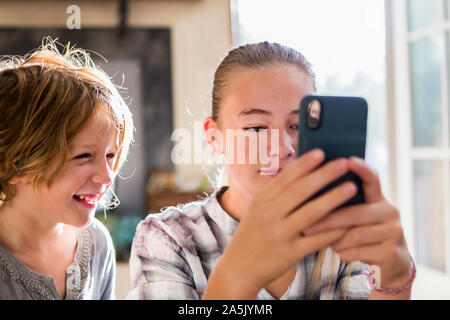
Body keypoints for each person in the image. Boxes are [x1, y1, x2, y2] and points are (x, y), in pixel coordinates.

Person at [128, 42, 414, 300]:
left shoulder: (343, 235)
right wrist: (237, 277)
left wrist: (395, 278)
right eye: (255, 128)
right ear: (215, 139)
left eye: (298, 125)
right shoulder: (168, 239)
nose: (282, 147)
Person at [0, 39, 134, 299]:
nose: (107, 177)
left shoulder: (98, 244)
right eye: (83, 156)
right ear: (10, 167)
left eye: (110, 155)